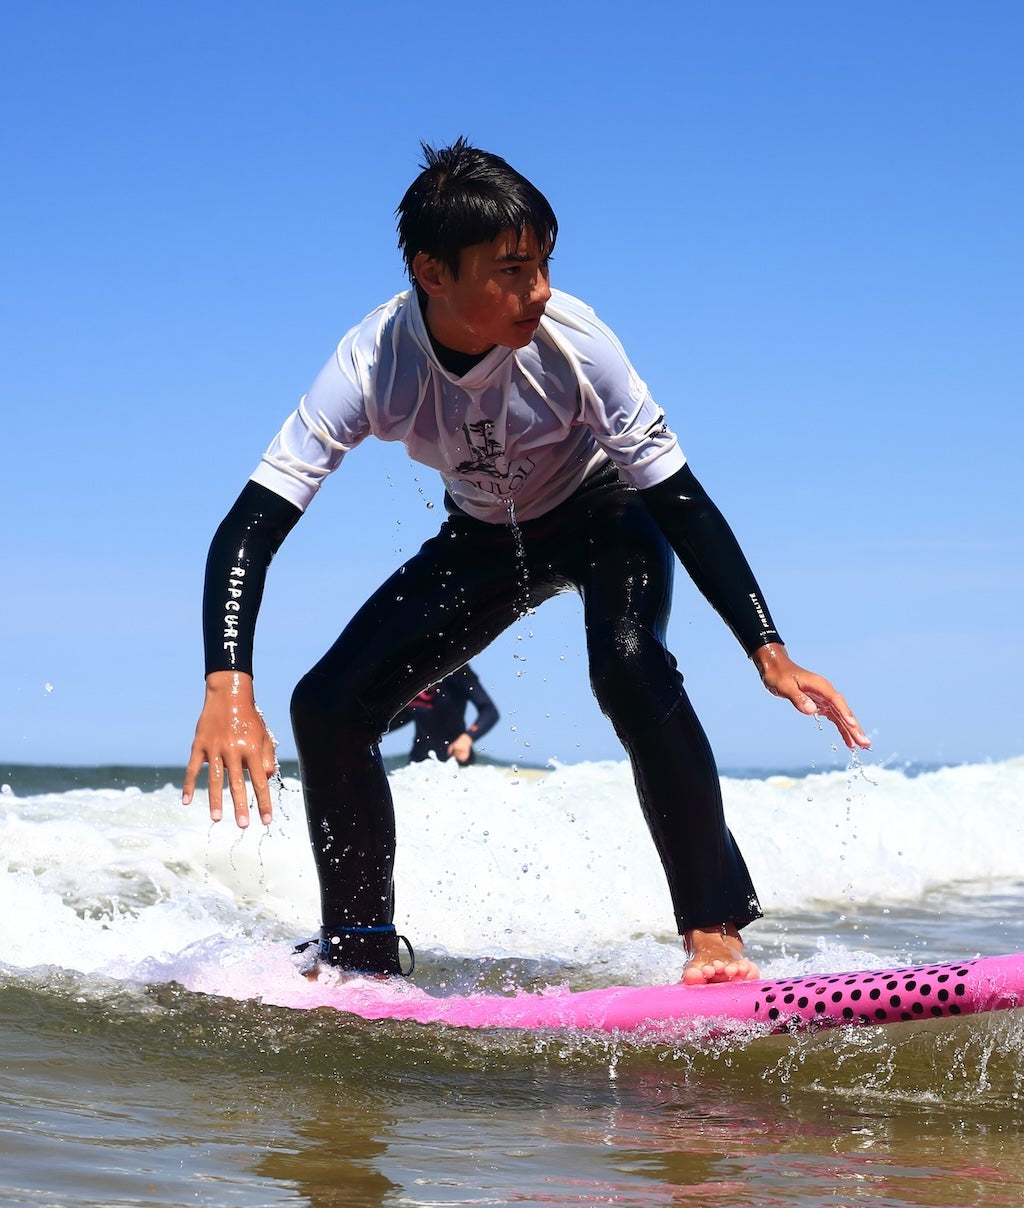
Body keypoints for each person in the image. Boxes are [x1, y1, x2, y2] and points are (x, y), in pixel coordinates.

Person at [182, 138, 870, 985]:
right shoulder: (374, 360)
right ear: (433, 273)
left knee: (626, 664)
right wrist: (227, 683)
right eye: (511, 269)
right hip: (487, 534)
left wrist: (768, 649)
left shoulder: (576, 342)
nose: (538, 289)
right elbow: (255, 517)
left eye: (543, 262)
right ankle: (360, 954)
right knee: (327, 704)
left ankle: (714, 935)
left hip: (606, 511)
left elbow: (679, 498)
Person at [387, 664, 499, 765]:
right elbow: (403, 716)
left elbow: (489, 710)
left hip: (454, 763)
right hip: (417, 766)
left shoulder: (457, 668)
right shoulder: (408, 674)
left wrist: (467, 738)